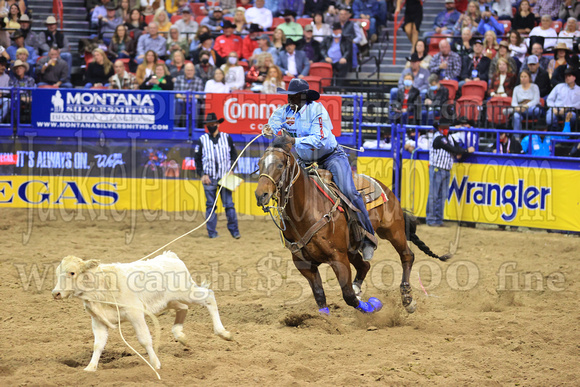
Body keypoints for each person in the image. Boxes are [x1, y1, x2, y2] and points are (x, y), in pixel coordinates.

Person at [263, 78, 378, 261]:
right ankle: (297, 235)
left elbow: (320, 139)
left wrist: (294, 141)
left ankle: (368, 238)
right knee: (289, 191)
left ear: (301, 97)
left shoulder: (318, 110)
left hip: (331, 157)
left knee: (349, 191)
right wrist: (269, 128)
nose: (288, 99)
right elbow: (275, 122)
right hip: (303, 160)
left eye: (292, 96)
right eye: (288, 96)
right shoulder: (285, 111)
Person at [194, 113, 241, 239]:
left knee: (229, 205)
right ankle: (212, 232)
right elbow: (197, 160)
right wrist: (202, 174)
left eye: (213, 124)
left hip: (225, 177)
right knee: (210, 206)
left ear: (218, 124)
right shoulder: (202, 140)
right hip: (209, 178)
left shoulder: (227, 138)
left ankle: (234, 231)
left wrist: (232, 169)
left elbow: (234, 155)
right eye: (209, 125)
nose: (211, 126)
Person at [426, 118, 475, 227]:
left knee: (442, 196)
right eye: (443, 127)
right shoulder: (438, 138)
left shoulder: (450, 138)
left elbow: (457, 148)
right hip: (437, 168)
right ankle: (431, 219)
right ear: (439, 128)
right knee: (434, 195)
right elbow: (453, 149)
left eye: (446, 127)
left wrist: (461, 150)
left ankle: (438, 219)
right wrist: (466, 150)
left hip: (446, 169)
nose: (445, 129)